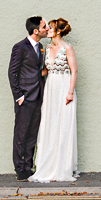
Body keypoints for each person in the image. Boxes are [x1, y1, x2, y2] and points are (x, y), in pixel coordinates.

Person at [29, 18, 78, 182]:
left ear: (58, 31)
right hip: (50, 88)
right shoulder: (47, 47)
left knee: (63, 124)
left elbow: (74, 71)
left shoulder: (68, 48)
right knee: (50, 124)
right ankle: (48, 165)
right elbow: (44, 70)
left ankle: (62, 167)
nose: (47, 30)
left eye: (50, 28)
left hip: (64, 87)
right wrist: (28, 78)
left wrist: (70, 92)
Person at [8, 15, 48, 181]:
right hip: (25, 97)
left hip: (38, 95)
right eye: (44, 26)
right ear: (35, 30)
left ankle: (28, 166)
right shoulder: (20, 47)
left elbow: (37, 71)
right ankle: (20, 169)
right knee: (21, 134)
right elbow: (12, 72)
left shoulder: (41, 47)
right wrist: (19, 96)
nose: (47, 29)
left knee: (32, 134)